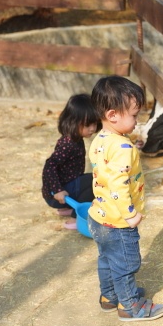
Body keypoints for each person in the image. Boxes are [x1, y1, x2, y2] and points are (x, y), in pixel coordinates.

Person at [88, 75, 163, 322]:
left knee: (107, 260)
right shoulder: (123, 148)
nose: (137, 121)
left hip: (99, 216)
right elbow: (118, 184)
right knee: (126, 264)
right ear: (113, 115)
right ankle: (130, 305)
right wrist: (130, 214)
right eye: (134, 116)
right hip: (118, 222)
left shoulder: (100, 140)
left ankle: (110, 296)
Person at [42, 94, 100, 230]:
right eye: (87, 125)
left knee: (89, 179)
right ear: (73, 122)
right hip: (56, 195)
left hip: (66, 187)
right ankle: (76, 217)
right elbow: (49, 166)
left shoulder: (75, 138)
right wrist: (57, 190)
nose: (92, 128)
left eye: (95, 123)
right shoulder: (68, 144)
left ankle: (69, 207)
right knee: (96, 181)